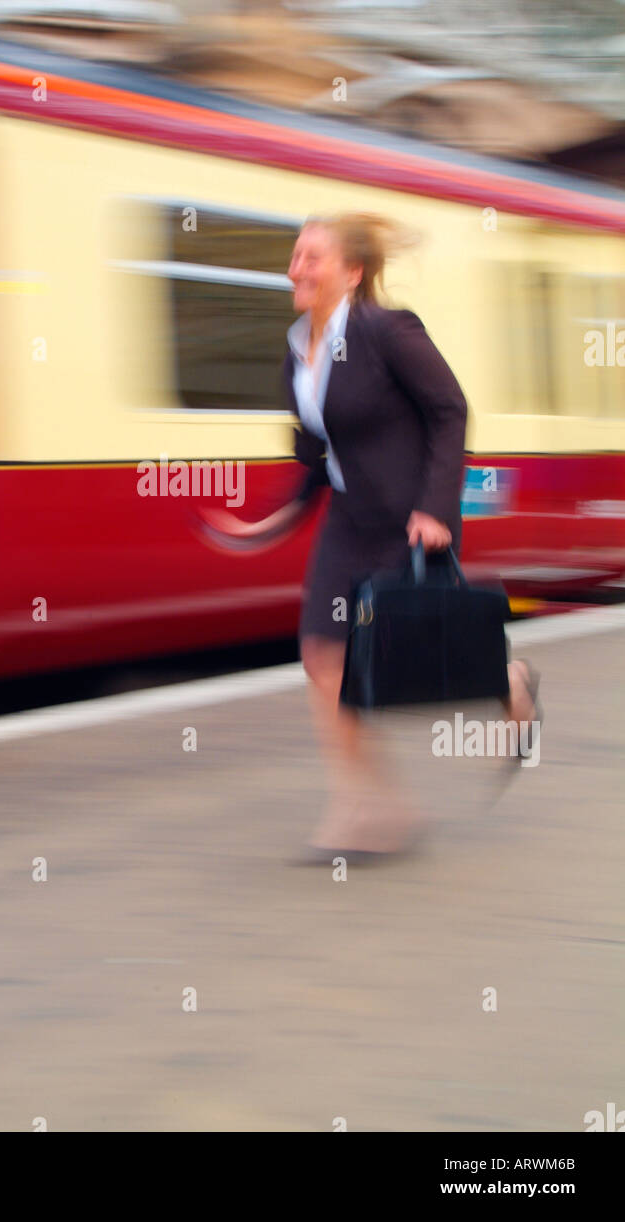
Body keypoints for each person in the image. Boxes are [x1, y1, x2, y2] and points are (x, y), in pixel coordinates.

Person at [209, 213, 541, 861]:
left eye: (311, 258)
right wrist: (267, 523)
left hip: (408, 516)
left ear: (351, 272)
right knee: (321, 656)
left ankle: (511, 685)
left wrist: (436, 506)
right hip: (347, 520)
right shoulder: (296, 348)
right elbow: (314, 454)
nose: (294, 269)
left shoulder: (388, 331)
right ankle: (371, 808)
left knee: (409, 654)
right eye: (294, 257)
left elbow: (449, 410)